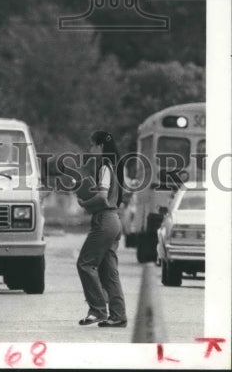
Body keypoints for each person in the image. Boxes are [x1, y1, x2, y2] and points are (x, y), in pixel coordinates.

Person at [75, 129, 128, 328]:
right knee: (109, 271)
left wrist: (84, 202)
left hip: (104, 220)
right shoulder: (116, 165)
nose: (90, 149)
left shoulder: (105, 166)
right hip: (115, 220)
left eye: (92, 145)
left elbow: (102, 196)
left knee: (85, 264)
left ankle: (97, 310)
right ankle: (118, 316)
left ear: (100, 146)